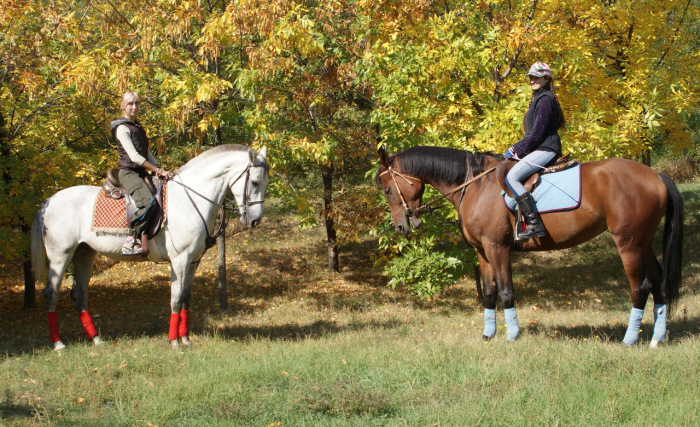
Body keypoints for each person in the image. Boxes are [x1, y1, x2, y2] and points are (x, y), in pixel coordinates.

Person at [504, 62, 565, 239]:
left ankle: (535, 224)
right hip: (540, 147)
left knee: (512, 177)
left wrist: (515, 148)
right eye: (530, 77)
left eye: (536, 77)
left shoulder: (545, 99)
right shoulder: (540, 97)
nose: (532, 80)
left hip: (546, 148)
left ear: (547, 78)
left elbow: (537, 133)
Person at [110, 92, 173, 255]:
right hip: (128, 173)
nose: (134, 107)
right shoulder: (122, 128)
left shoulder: (137, 127)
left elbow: (147, 154)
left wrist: (160, 169)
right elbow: (135, 157)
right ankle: (131, 239)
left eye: (137, 103)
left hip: (141, 172)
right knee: (148, 203)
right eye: (130, 104)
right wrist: (157, 170)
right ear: (123, 105)